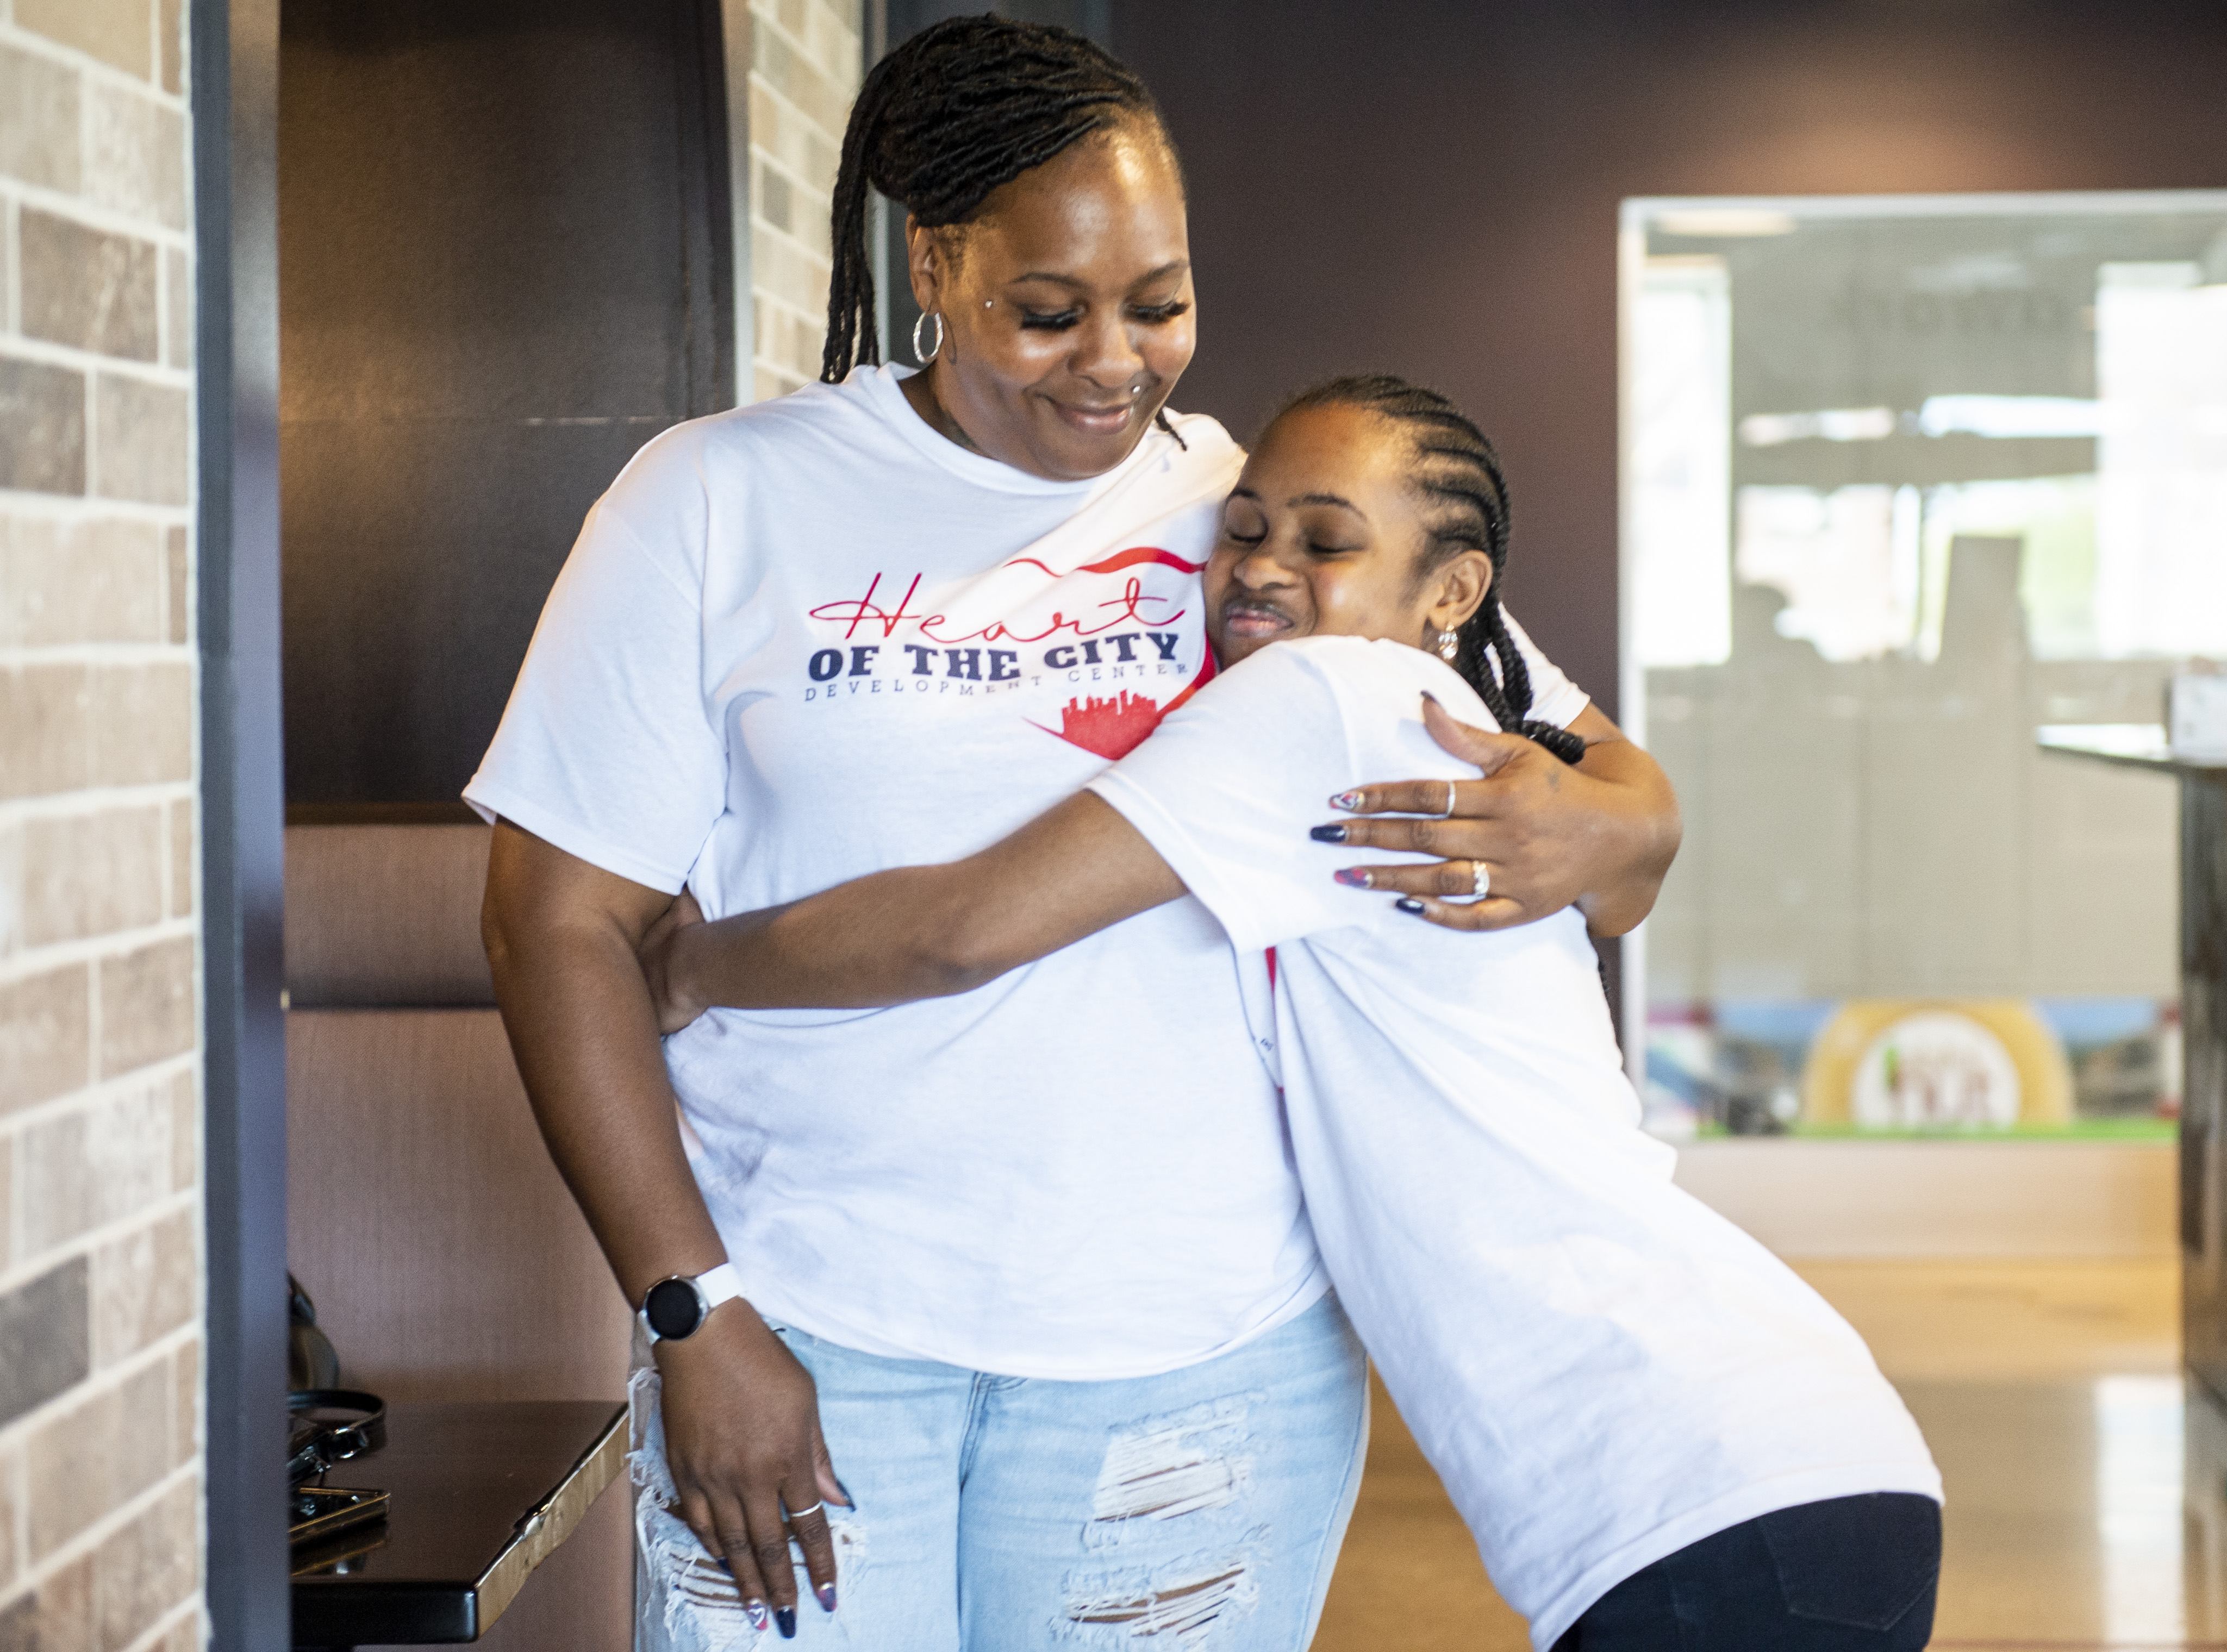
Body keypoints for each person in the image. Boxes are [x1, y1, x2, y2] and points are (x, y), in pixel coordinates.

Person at [470, 19, 1679, 1651]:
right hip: (809, 1328)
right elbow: (554, 926)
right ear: (937, 264)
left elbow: (1620, 799)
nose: (1115, 361)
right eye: (1050, 312)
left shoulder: (1257, 517)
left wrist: (1585, 837)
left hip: (1204, 1350)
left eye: (1159, 303)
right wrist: (693, 1312)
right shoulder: (714, 501)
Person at [641, 378, 1945, 1652]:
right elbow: (1626, 867)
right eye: (1245, 529)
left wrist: (696, 967)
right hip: (1772, 1473)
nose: (1260, 567)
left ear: (1452, 592)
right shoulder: (1446, 715)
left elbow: (959, 929)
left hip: (1709, 1500)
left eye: (1325, 541)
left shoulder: (1324, 700)